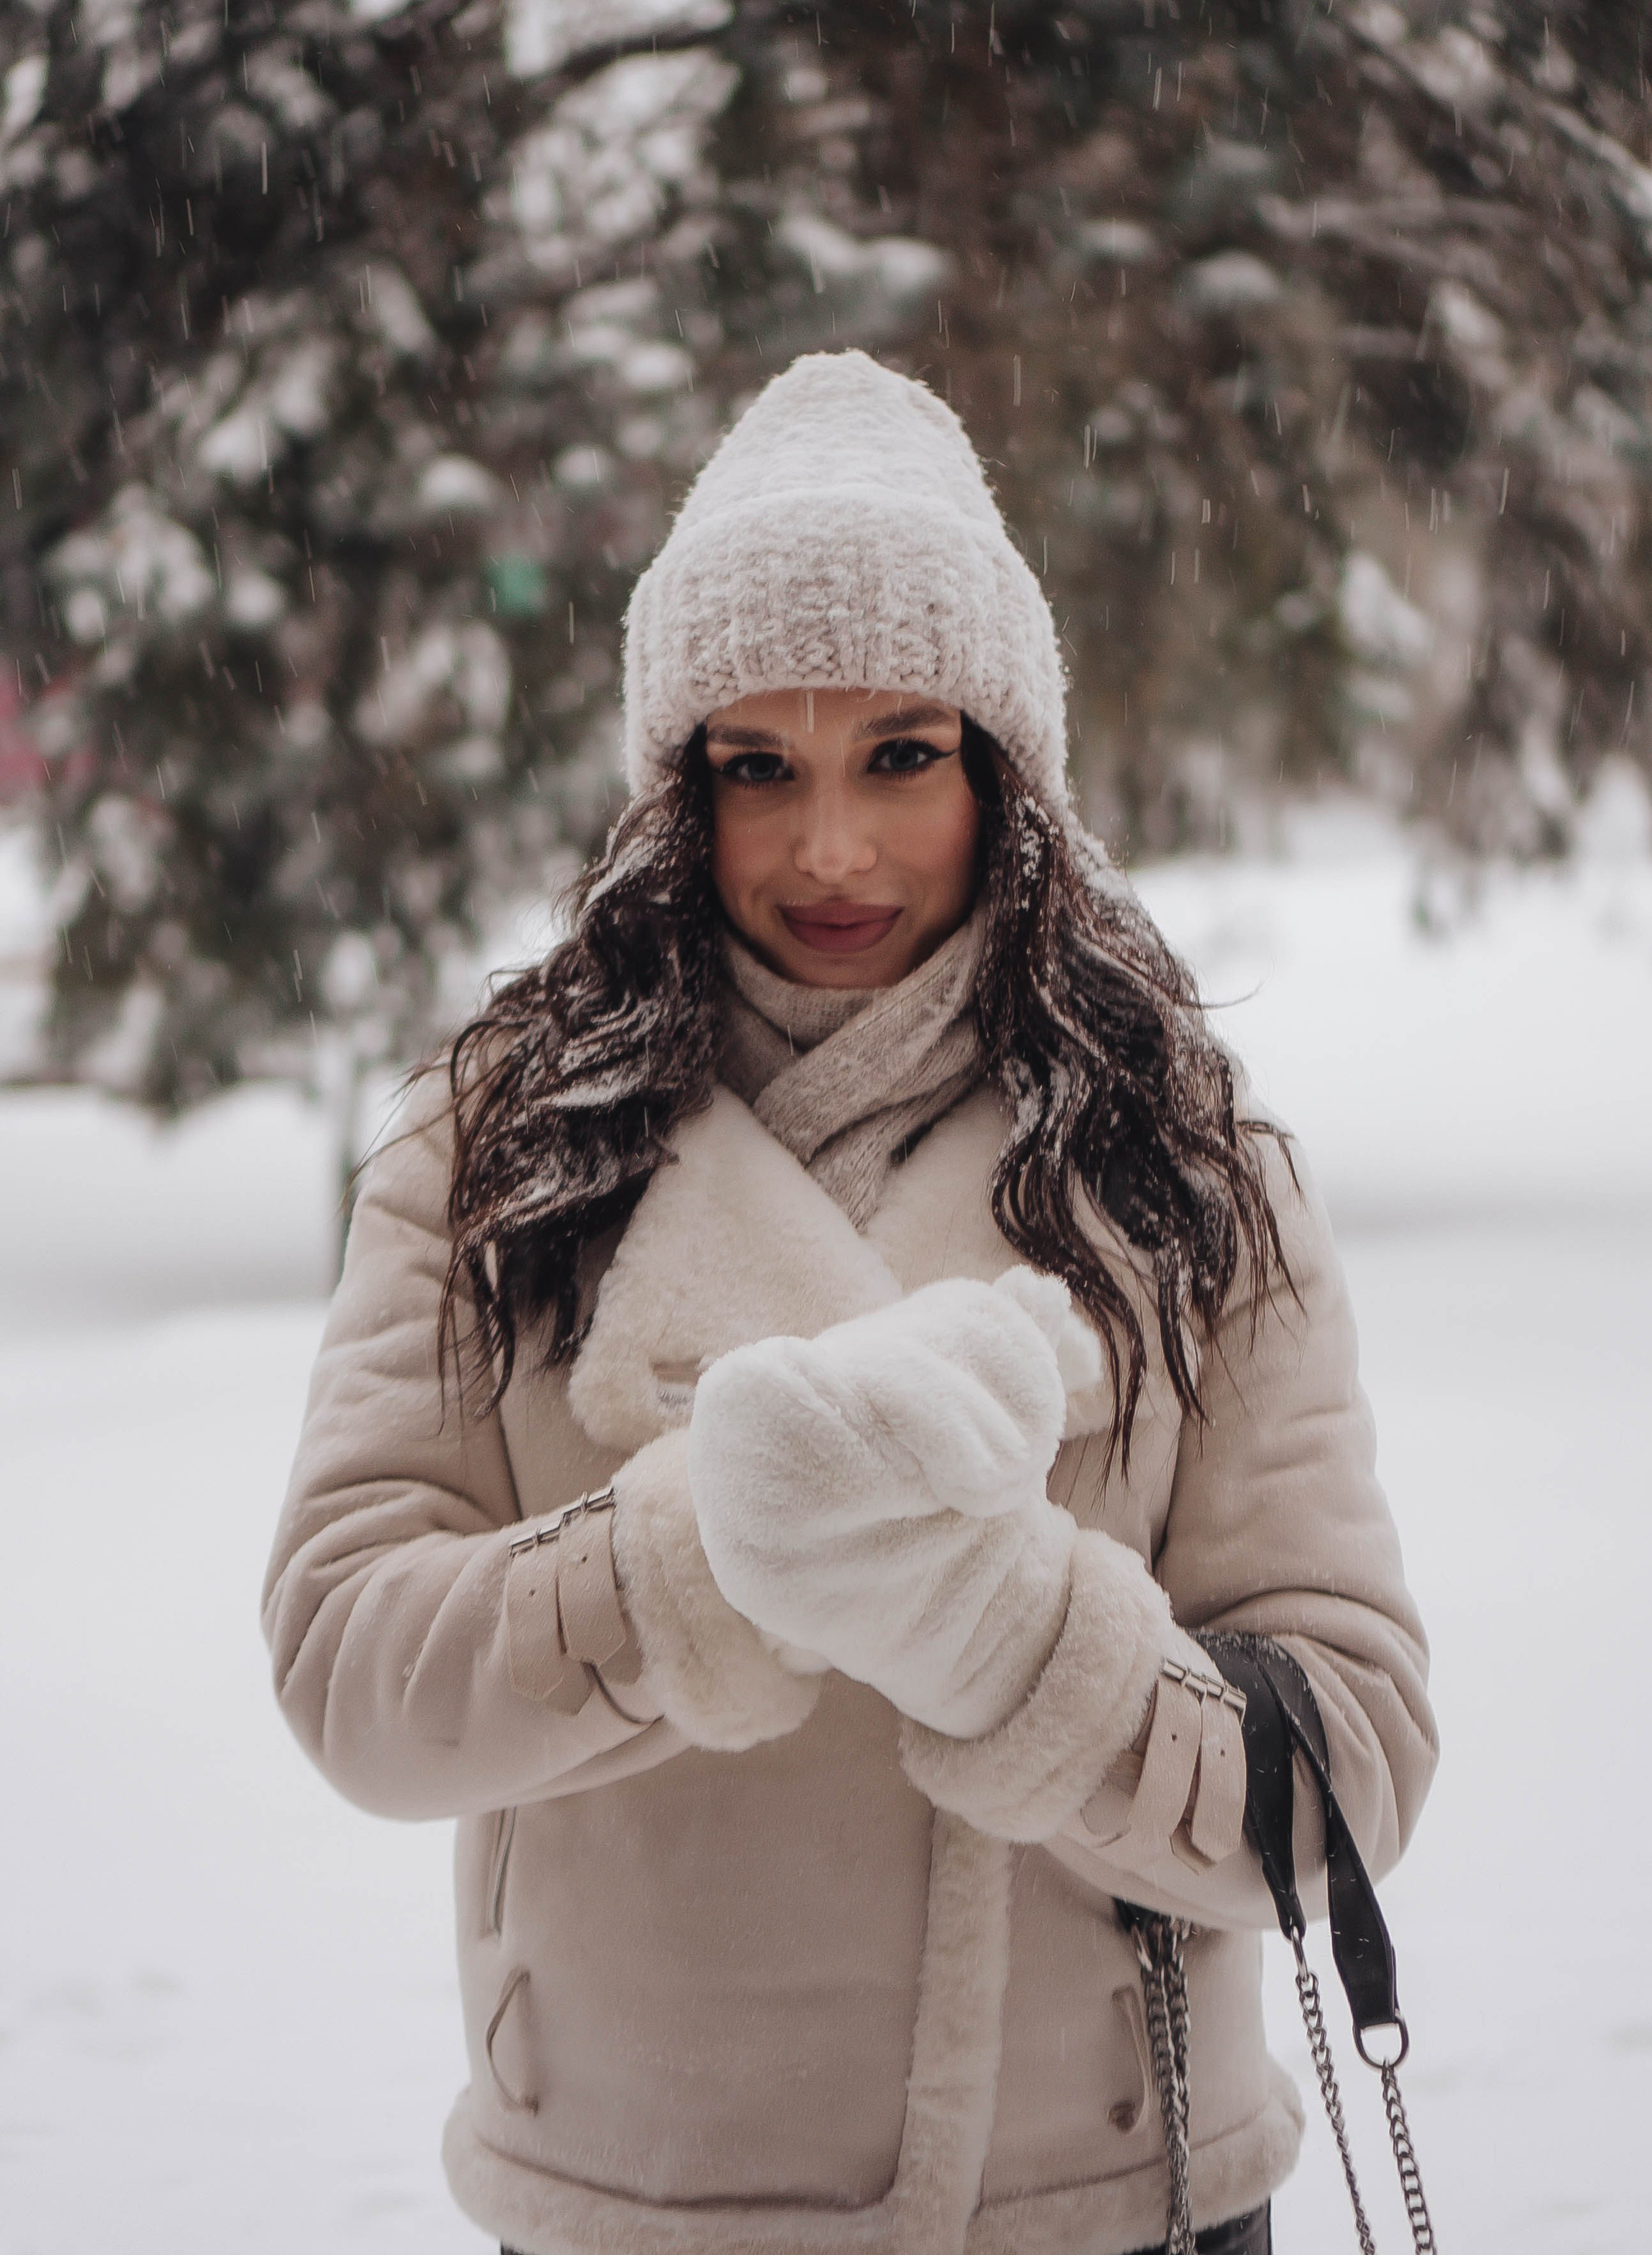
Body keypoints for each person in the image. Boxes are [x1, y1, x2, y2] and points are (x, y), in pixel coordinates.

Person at [263, 352, 1436, 2255]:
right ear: (676, 786)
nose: (830, 852)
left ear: (1004, 769)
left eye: (900, 755)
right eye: (759, 768)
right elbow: (350, 1668)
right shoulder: (496, 1144)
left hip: (1111, 2209)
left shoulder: (1185, 1162)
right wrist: (694, 1562)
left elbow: (1351, 1760)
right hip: (642, 2208)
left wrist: (1011, 1638)